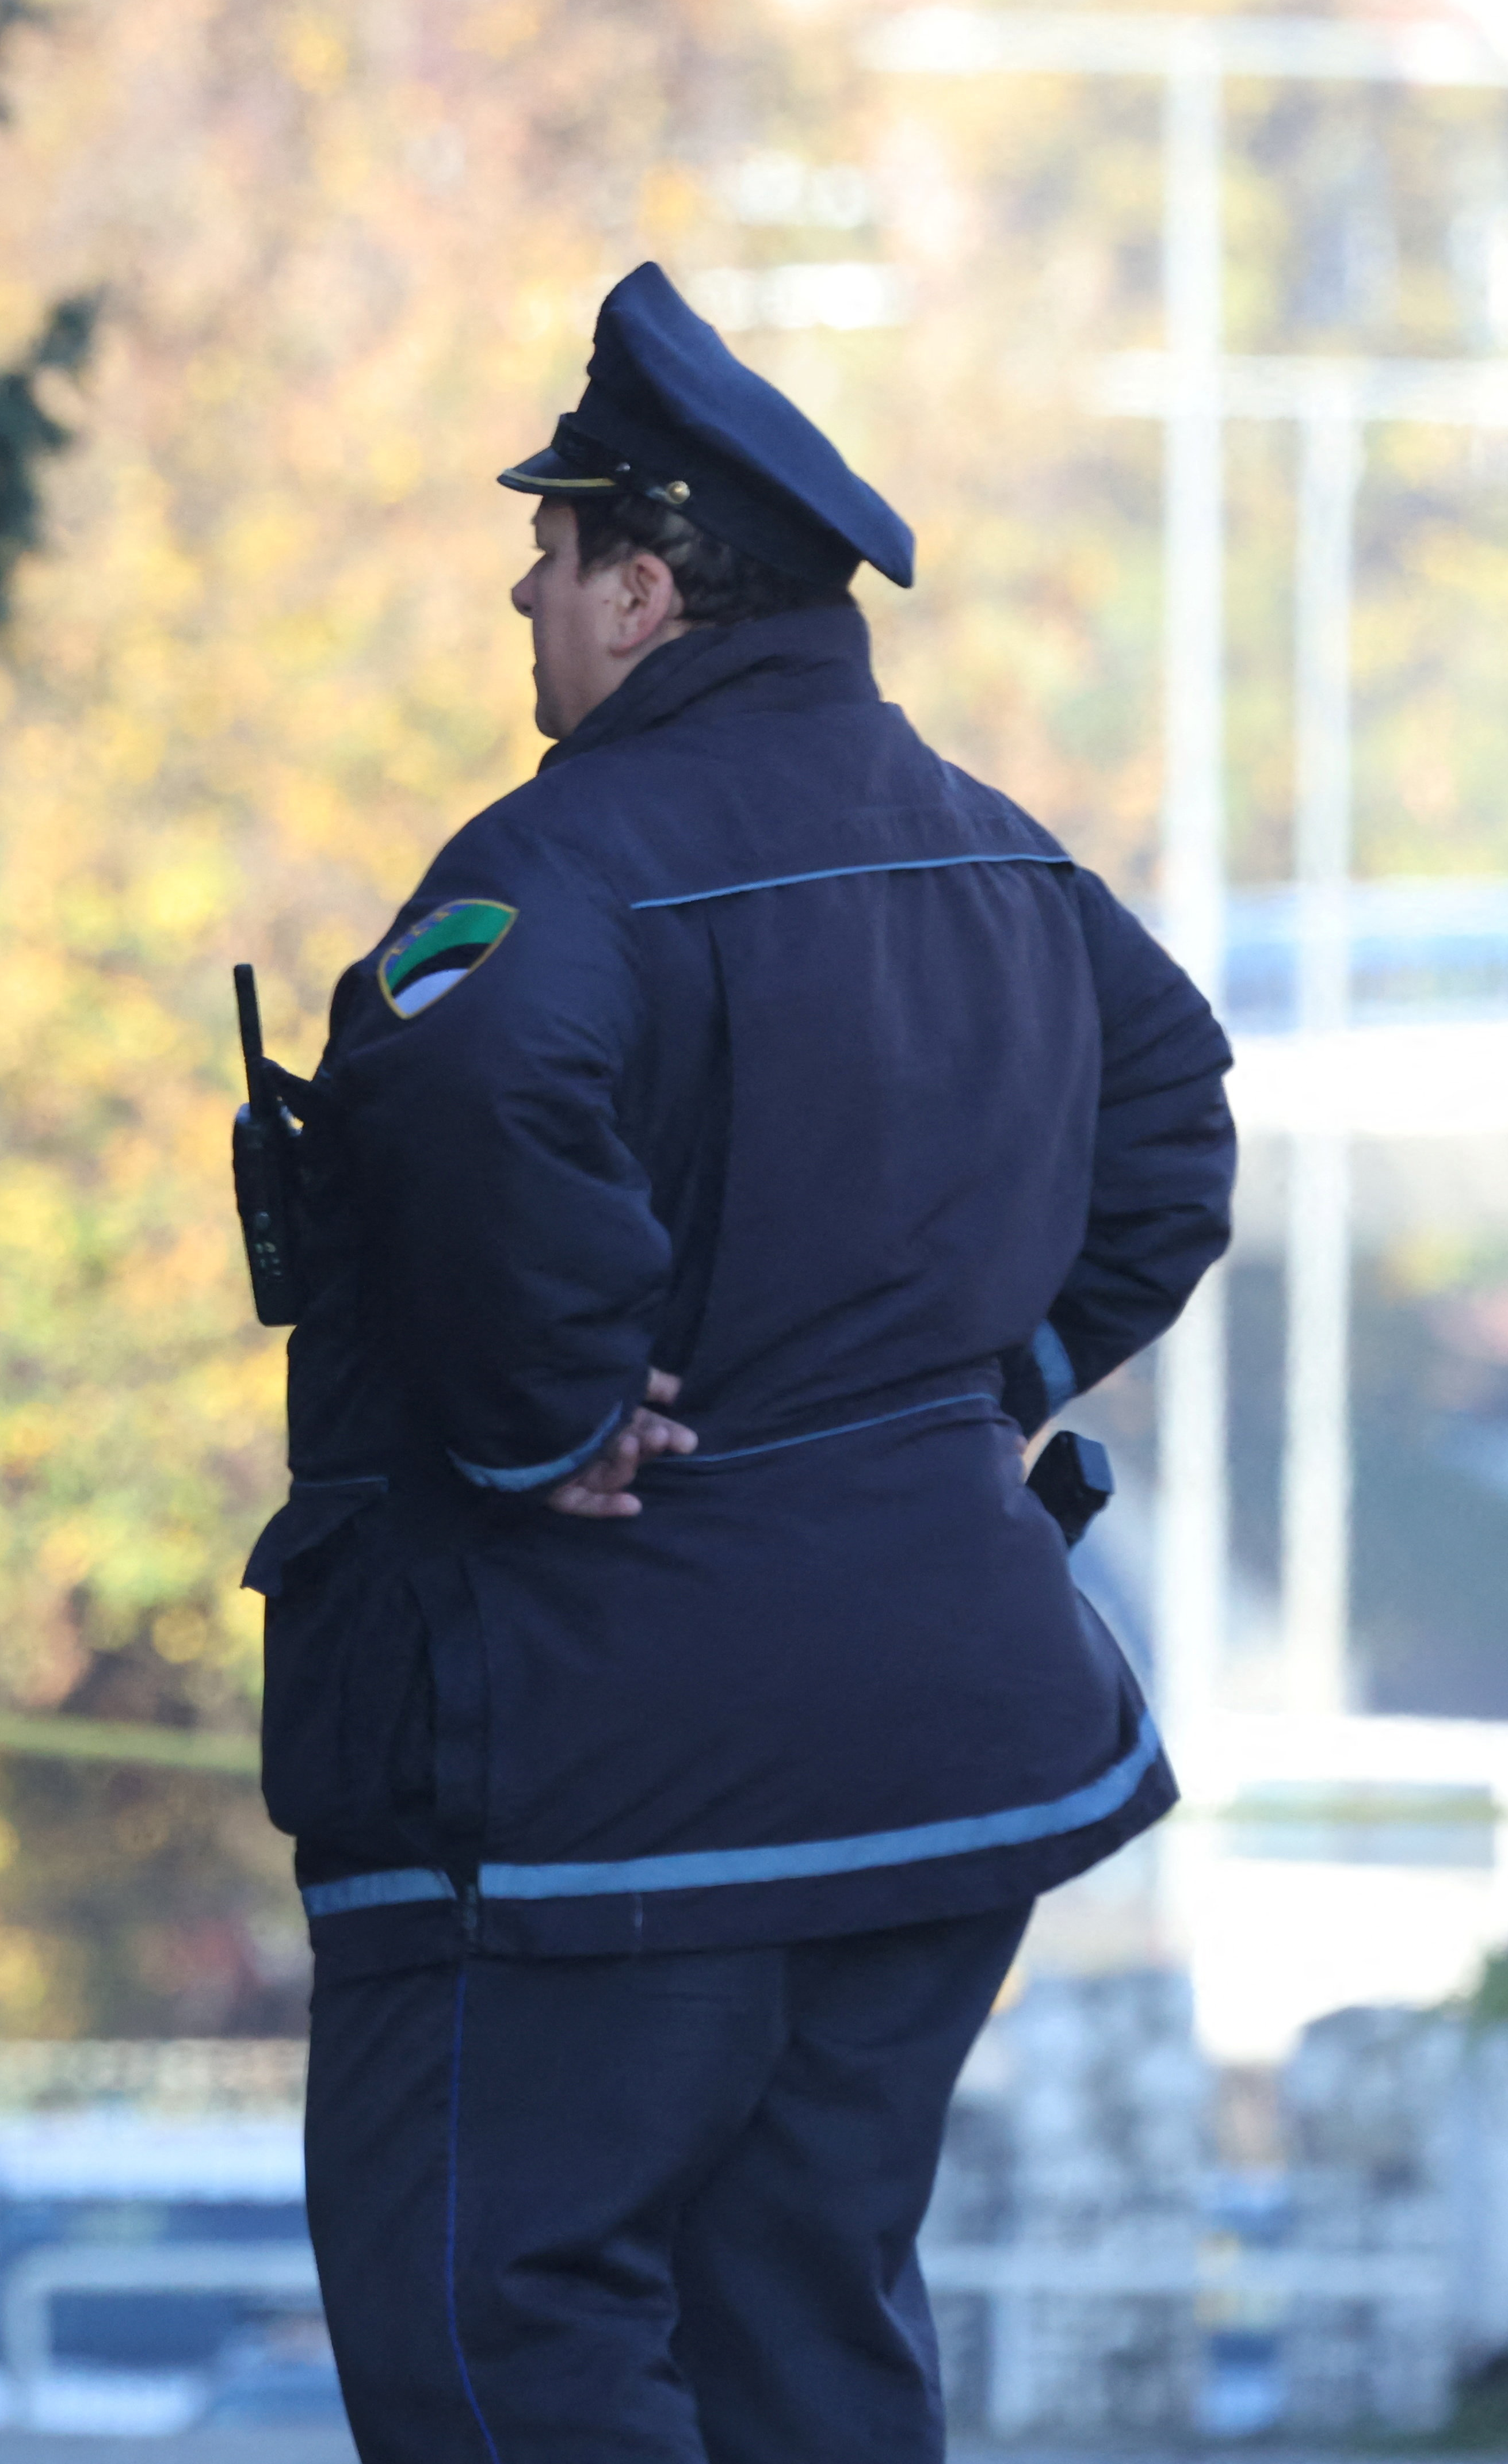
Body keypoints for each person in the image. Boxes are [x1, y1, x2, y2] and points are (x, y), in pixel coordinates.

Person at [254, 266, 1233, 2463]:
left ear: (650, 579)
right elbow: (1176, 1132)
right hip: (946, 1756)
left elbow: (473, 1085)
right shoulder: (1010, 853)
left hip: (607, 1763)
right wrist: (985, 1397)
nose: (523, 587)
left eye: (553, 541)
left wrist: (557, 1411)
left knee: (499, 2320)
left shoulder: (560, 862)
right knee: (805, 2327)